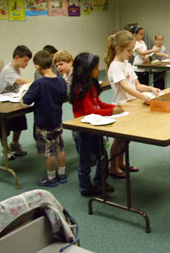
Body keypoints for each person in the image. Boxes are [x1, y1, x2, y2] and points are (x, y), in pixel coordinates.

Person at [104, 31, 161, 178]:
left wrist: (151, 89)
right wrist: (142, 97)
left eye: (132, 50)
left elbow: (137, 85)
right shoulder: (115, 66)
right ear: (118, 49)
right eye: (129, 50)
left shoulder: (126, 64)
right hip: (121, 107)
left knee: (125, 140)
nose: (131, 53)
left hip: (132, 106)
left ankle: (121, 163)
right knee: (118, 140)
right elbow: (125, 86)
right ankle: (113, 167)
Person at [70, 53, 123, 196]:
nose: (98, 70)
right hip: (84, 129)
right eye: (95, 68)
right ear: (86, 70)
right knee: (85, 161)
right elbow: (90, 111)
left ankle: (100, 182)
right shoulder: (81, 88)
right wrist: (112, 112)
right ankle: (85, 188)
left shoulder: (91, 84)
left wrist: (112, 108)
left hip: (95, 127)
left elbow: (98, 104)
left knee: (102, 157)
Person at [23, 50, 68, 187]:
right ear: (52, 63)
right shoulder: (60, 80)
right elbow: (63, 96)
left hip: (43, 123)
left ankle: (51, 178)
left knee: (49, 151)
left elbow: (26, 100)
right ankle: (62, 173)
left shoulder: (39, 83)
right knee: (60, 147)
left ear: (37, 67)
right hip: (57, 119)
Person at [0, 45, 32, 160]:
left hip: (11, 100)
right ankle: (5, 150)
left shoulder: (17, 69)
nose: (27, 64)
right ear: (17, 57)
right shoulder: (8, 69)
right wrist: (37, 84)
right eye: (25, 61)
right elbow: (21, 81)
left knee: (20, 121)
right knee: (3, 128)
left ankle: (14, 144)